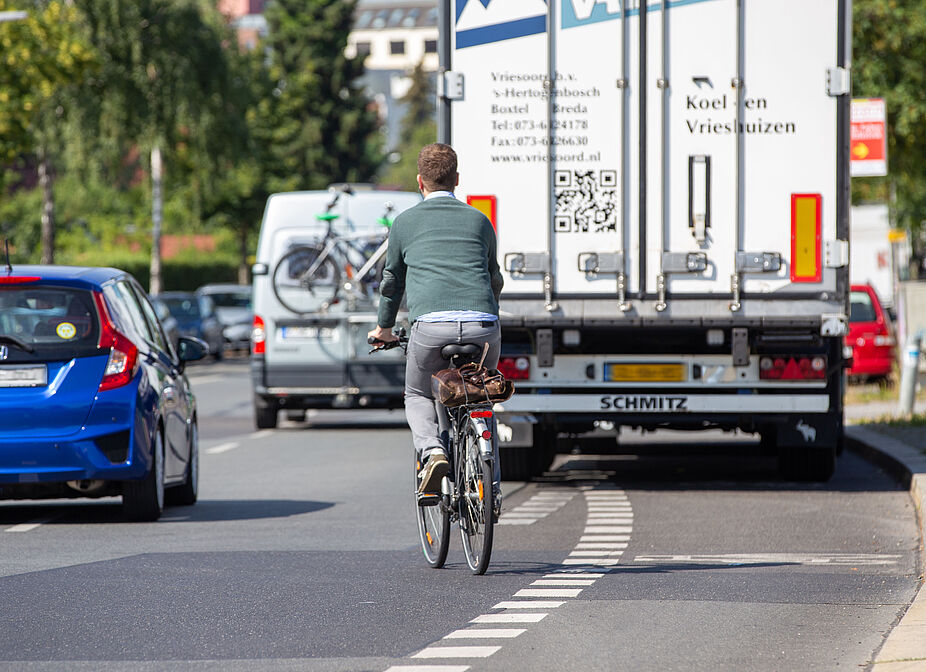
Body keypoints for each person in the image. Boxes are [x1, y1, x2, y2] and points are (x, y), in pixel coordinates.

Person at [368, 143, 504, 495]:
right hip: (483, 327)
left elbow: (391, 283)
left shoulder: (404, 223)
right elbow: (494, 278)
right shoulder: (479, 220)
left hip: (430, 328)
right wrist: (488, 315)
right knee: (480, 393)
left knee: (416, 393)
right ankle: (488, 478)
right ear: (456, 179)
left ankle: (433, 451)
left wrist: (384, 328)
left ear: (419, 181)